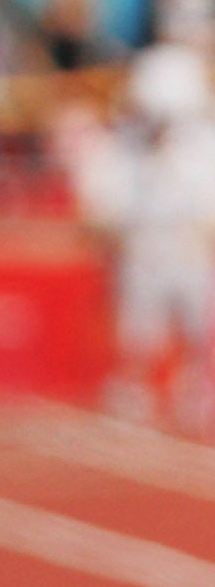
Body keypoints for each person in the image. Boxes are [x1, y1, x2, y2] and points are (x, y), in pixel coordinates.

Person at [66, 43, 215, 430]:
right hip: (143, 251)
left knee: (197, 329)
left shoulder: (203, 147)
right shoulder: (124, 146)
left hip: (190, 251)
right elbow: (103, 206)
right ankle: (136, 383)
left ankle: (196, 388)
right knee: (139, 333)